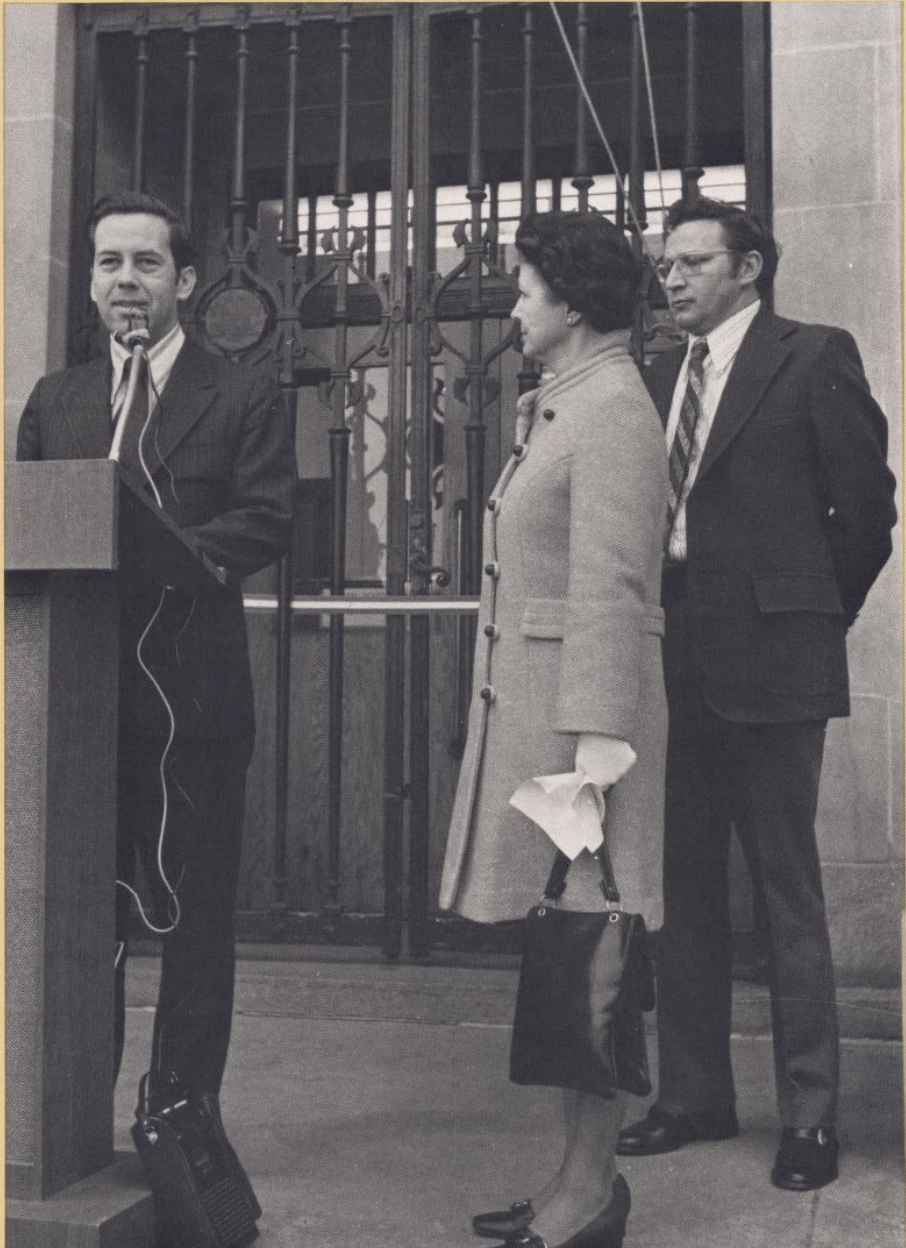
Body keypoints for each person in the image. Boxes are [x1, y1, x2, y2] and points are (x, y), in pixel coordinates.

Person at [617, 198, 896, 1192]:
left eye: (693, 263)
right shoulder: (652, 372)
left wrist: (810, 615)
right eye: (666, 265)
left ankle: (811, 1117)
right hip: (672, 662)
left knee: (787, 893)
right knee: (681, 892)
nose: (672, 279)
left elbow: (867, 514)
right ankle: (694, 1095)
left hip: (776, 667)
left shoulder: (812, 354)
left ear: (749, 269)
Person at [17, 192, 297, 1120]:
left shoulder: (245, 390)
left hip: (195, 697)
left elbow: (264, 516)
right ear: (91, 284)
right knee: (75, 908)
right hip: (74, 698)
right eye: (108, 264)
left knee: (195, 914)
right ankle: (70, 1111)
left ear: (183, 280)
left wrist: (173, 551)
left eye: (145, 264)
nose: (125, 282)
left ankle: (178, 1113)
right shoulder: (55, 400)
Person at [440, 210, 668, 1248]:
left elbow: (616, 590)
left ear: (571, 302)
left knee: (596, 956)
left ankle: (591, 1194)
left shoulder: (612, 407)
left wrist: (594, 752)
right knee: (573, 954)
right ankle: (576, 1180)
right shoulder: (569, 403)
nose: (516, 306)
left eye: (526, 289)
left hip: (585, 740)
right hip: (556, 731)